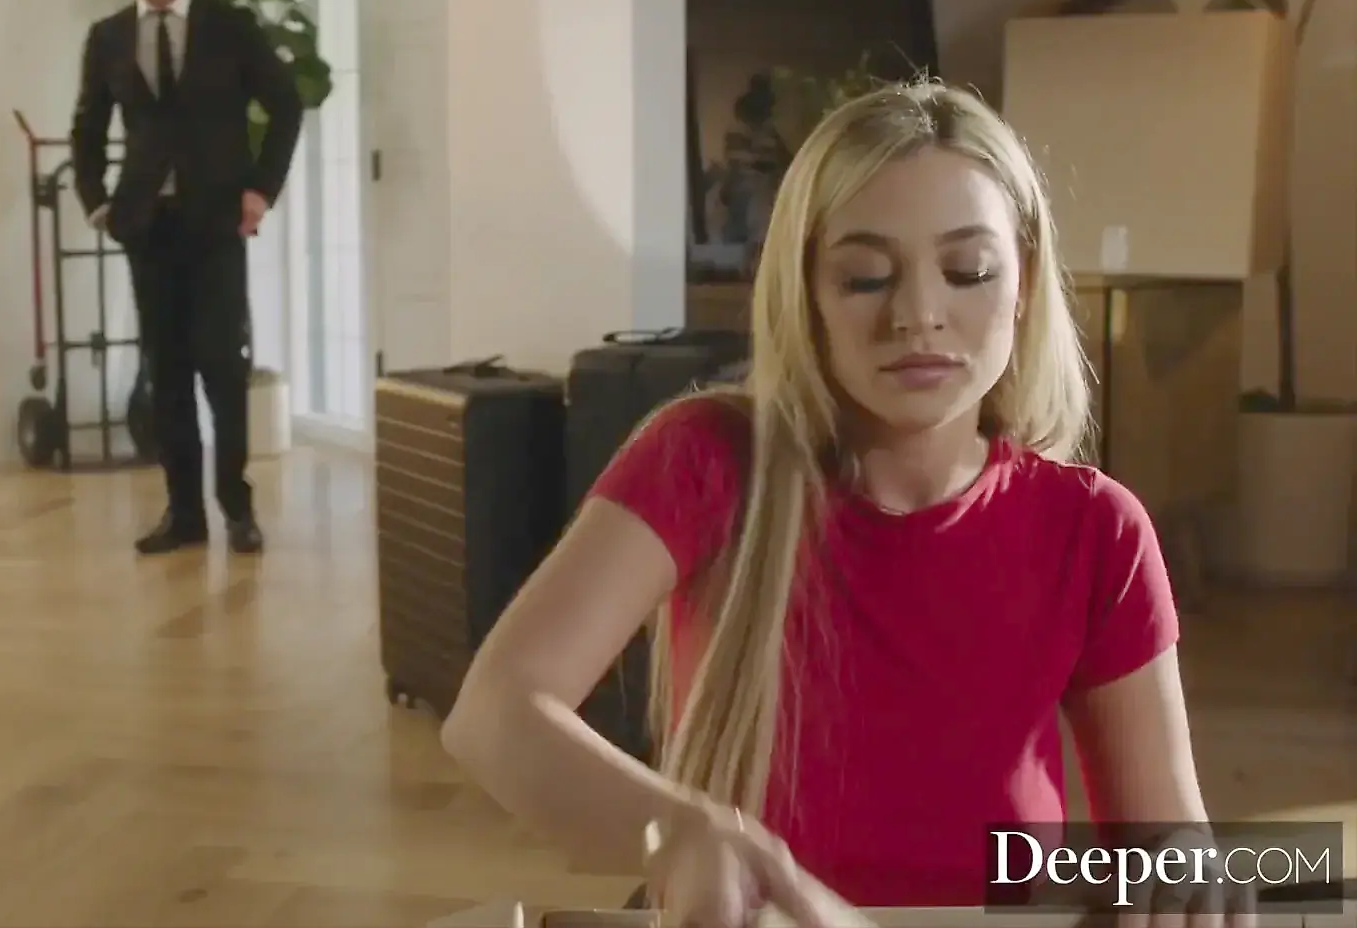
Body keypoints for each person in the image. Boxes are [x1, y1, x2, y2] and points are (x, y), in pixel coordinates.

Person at [441, 83, 1250, 927]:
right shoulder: (706, 460)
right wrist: (672, 832)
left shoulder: (1096, 528)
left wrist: (1191, 876)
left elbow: (1167, 841)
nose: (918, 315)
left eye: (968, 271)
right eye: (865, 277)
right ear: (808, 294)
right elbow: (495, 713)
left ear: (1024, 284)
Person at [72, 0, 304, 557]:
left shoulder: (230, 27)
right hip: (148, 227)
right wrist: (98, 202)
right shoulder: (108, 37)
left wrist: (260, 190)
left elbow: (286, 104)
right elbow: (87, 127)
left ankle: (237, 507)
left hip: (216, 223)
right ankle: (183, 514)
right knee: (166, 372)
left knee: (222, 370)